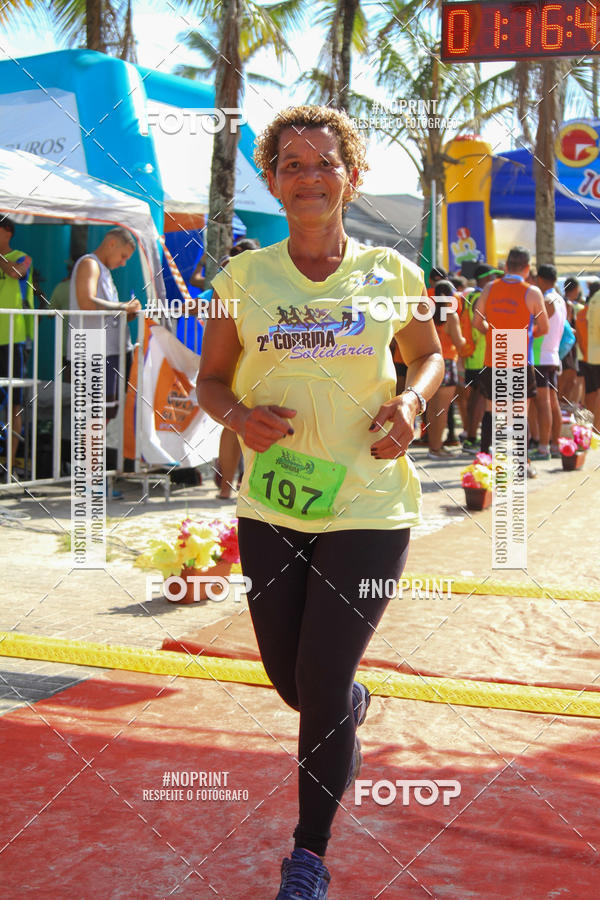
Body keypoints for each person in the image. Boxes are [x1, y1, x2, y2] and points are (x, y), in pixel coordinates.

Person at [196, 104, 444, 900]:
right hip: (273, 503)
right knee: (292, 680)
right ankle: (345, 703)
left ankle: (308, 855)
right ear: (272, 182)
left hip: (370, 502)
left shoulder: (393, 273)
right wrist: (237, 416)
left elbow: (429, 356)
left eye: (325, 163)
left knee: (324, 674)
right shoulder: (242, 278)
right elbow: (208, 381)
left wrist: (410, 405)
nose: (310, 178)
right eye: (293, 165)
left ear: (353, 177)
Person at [473, 246, 549, 464]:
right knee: (519, 412)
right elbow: (544, 327)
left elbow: (477, 323)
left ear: (506, 267)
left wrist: (496, 333)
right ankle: (521, 462)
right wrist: (523, 334)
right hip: (519, 356)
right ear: (527, 268)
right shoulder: (532, 292)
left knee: (491, 410)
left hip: (493, 356)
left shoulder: (489, 288)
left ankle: (484, 459)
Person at [69, 227, 141, 422]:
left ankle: (94, 453)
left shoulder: (104, 270)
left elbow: (106, 311)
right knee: (94, 416)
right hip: (93, 348)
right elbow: (86, 302)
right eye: (123, 256)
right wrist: (122, 307)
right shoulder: (90, 264)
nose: (124, 263)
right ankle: (88, 453)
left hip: (107, 350)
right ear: (111, 244)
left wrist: (127, 313)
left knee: (105, 413)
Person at [212, 238, 261, 500]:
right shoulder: (249, 271)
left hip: (238, 354)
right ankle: (238, 485)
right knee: (240, 424)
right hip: (248, 354)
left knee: (233, 424)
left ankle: (225, 488)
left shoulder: (227, 269)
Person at [0, 215, 33, 471]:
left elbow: (14, 272)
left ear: (7, 232)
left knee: (14, 402)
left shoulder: (23, 256)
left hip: (13, 339)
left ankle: (10, 465)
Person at [461, 263, 502, 453]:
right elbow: (479, 324)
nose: (495, 280)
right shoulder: (480, 297)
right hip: (482, 355)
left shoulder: (469, 296)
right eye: (493, 276)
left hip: (472, 355)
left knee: (474, 399)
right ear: (485, 278)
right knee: (480, 399)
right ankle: (471, 438)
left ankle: (470, 437)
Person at [427, 279, 467, 458]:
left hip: (428, 363)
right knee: (442, 409)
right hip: (447, 363)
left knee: (430, 408)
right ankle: (437, 448)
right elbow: (459, 342)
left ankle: (432, 446)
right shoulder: (451, 315)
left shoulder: (426, 313)